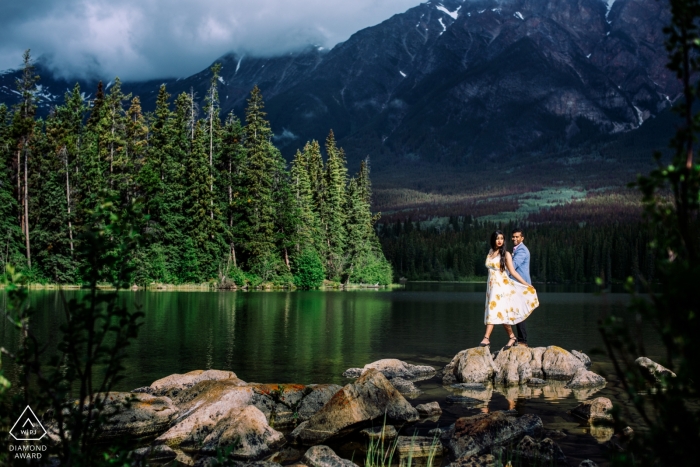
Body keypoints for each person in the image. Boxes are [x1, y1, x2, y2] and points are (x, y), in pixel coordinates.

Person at [479, 230, 538, 349]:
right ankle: (512, 337)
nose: (500, 240)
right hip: (491, 287)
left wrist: (526, 284)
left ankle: (486, 338)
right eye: (497, 238)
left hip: (501, 286)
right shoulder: (490, 252)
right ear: (493, 240)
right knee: (503, 312)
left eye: (502, 238)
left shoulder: (506, 254)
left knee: (494, 310)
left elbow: (513, 271)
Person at [510, 228, 531, 347]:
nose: (515, 239)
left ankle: (522, 341)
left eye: (517, 237)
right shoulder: (518, 249)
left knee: (519, 312)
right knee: (516, 312)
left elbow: (513, 266)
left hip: (520, 285)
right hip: (517, 284)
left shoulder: (522, 250)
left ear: (522, 238)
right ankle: (518, 339)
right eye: (513, 236)